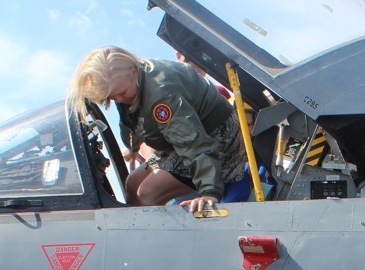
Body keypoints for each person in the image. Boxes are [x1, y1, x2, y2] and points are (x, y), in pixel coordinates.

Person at [67, 46, 249, 214]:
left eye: (122, 93)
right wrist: (132, 148)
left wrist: (209, 192)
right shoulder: (127, 83)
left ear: (134, 71)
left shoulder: (161, 95)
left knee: (148, 193)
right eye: (113, 97)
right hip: (183, 140)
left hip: (217, 139)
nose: (119, 99)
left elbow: (193, 142)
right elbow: (129, 119)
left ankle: (156, 246)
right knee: (131, 184)